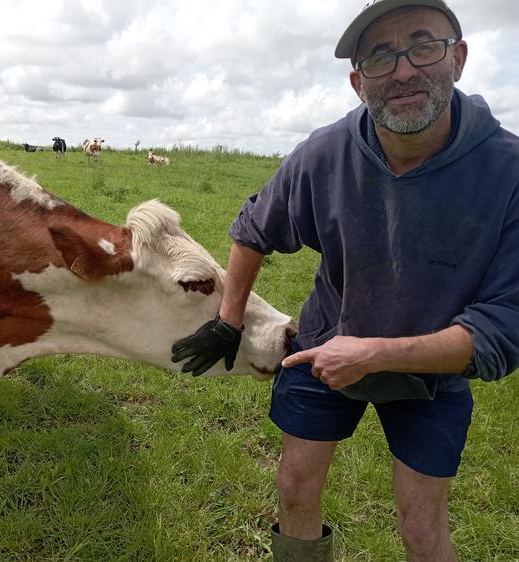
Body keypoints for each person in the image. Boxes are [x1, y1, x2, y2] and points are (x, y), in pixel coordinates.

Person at [170, 1, 519, 560]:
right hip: (324, 350)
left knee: (422, 524)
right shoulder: (325, 154)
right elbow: (254, 226)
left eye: (423, 46)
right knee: (294, 487)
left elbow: (506, 329)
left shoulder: (507, 172)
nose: (403, 70)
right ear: (359, 82)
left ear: (458, 57)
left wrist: (377, 353)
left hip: (431, 371)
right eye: (380, 57)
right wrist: (228, 320)